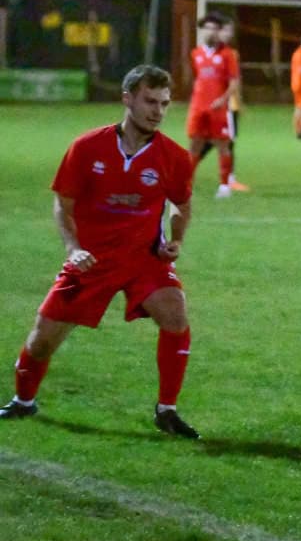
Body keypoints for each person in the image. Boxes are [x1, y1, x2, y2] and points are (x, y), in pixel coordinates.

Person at [0, 65, 200, 439]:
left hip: (144, 259)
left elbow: (181, 204)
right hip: (91, 260)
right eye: (149, 101)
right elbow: (63, 204)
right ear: (127, 99)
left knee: (175, 312)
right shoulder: (87, 147)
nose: (157, 111)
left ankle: (167, 410)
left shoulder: (173, 156)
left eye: (164, 103)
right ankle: (24, 401)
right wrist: (73, 249)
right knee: (42, 341)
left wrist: (176, 239)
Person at [187, 12, 248, 199]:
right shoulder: (195, 54)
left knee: (223, 145)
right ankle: (186, 184)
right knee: (194, 146)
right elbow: (197, 79)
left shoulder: (228, 54)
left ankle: (224, 185)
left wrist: (222, 100)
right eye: (207, 28)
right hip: (198, 108)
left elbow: (234, 82)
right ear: (202, 30)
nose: (210, 32)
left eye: (214, 28)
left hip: (219, 109)